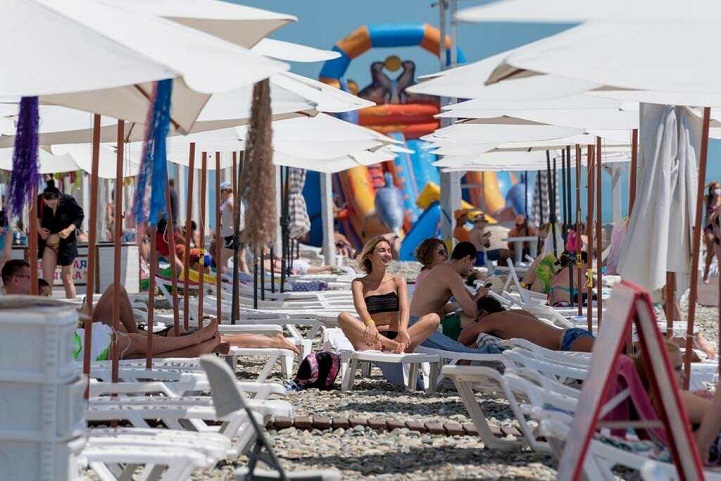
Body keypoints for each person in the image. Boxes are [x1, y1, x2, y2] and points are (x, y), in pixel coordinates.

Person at [337, 236, 439, 353]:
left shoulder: (398, 281)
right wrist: (370, 324)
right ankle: (389, 345)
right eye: (382, 251)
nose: (387, 254)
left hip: (397, 337)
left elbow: (405, 309)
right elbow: (361, 308)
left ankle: (393, 345)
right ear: (369, 256)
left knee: (434, 318)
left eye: (389, 251)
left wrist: (402, 330)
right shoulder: (359, 283)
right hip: (373, 339)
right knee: (343, 317)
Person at [410, 241, 498, 353]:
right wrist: (481, 295)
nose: (472, 268)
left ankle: (472, 346)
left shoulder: (444, 269)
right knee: (478, 319)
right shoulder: (452, 276)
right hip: (424, 327)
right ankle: (474, 351)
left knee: (476, 316)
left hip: (415, 322)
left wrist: (478, 293)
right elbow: (472, 311)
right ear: (466, 258)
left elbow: (471, 300)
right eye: (472, 264)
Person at [458, 296, 595, 352]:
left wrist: (477, 328)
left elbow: (463, 338)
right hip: (571, 336)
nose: (478, 323)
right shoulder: (517, 313)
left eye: (477, 320)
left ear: (483, 314)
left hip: (567, 342)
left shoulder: (493, 319)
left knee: (608, 360)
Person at [37, 180, 84, 299]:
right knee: (47, 281)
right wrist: (39, 229)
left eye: (54, 203)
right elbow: (35, 217)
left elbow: (79, 216)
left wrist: (69, 229)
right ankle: (47, 307)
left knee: (67, 278)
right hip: (49, 244)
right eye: (49, 203)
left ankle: (73, 307)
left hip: (67, 243)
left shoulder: (68, 200)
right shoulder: (39, 200)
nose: (51, 205)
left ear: (58, 198)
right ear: (44, 199)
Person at [217, 181, 248, 274]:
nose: (219, 195)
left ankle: (224, 279)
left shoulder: (230, 202)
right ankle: (248, 278)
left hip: (232, 233)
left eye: (220, 192)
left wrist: (235, 232)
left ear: (224, 192)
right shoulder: (238, 201)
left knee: (222, 258)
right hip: (241, 232)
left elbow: (236, 216)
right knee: (241, 259)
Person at [703, 183, 721, 283]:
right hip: (709, 227)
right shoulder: (707, 199)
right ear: (711, 190)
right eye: (715, 189)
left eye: (718, 188)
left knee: (715, 252)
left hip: (718, 226)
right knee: (710, 251)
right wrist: (707, 185)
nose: (717, 190)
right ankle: (706, 271)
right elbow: (698, 194)